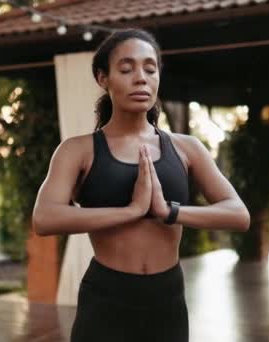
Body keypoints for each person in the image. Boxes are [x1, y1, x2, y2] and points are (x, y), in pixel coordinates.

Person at [32, 28, 250, 342]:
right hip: (106, 298)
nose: (140, 78)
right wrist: (131, 210)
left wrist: (169, 211)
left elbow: (238, 215)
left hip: (167, 298)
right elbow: (44, 218)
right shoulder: (77, 150)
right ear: (102, 78)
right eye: (126, 69)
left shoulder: (187, 148)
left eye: (150, 69)